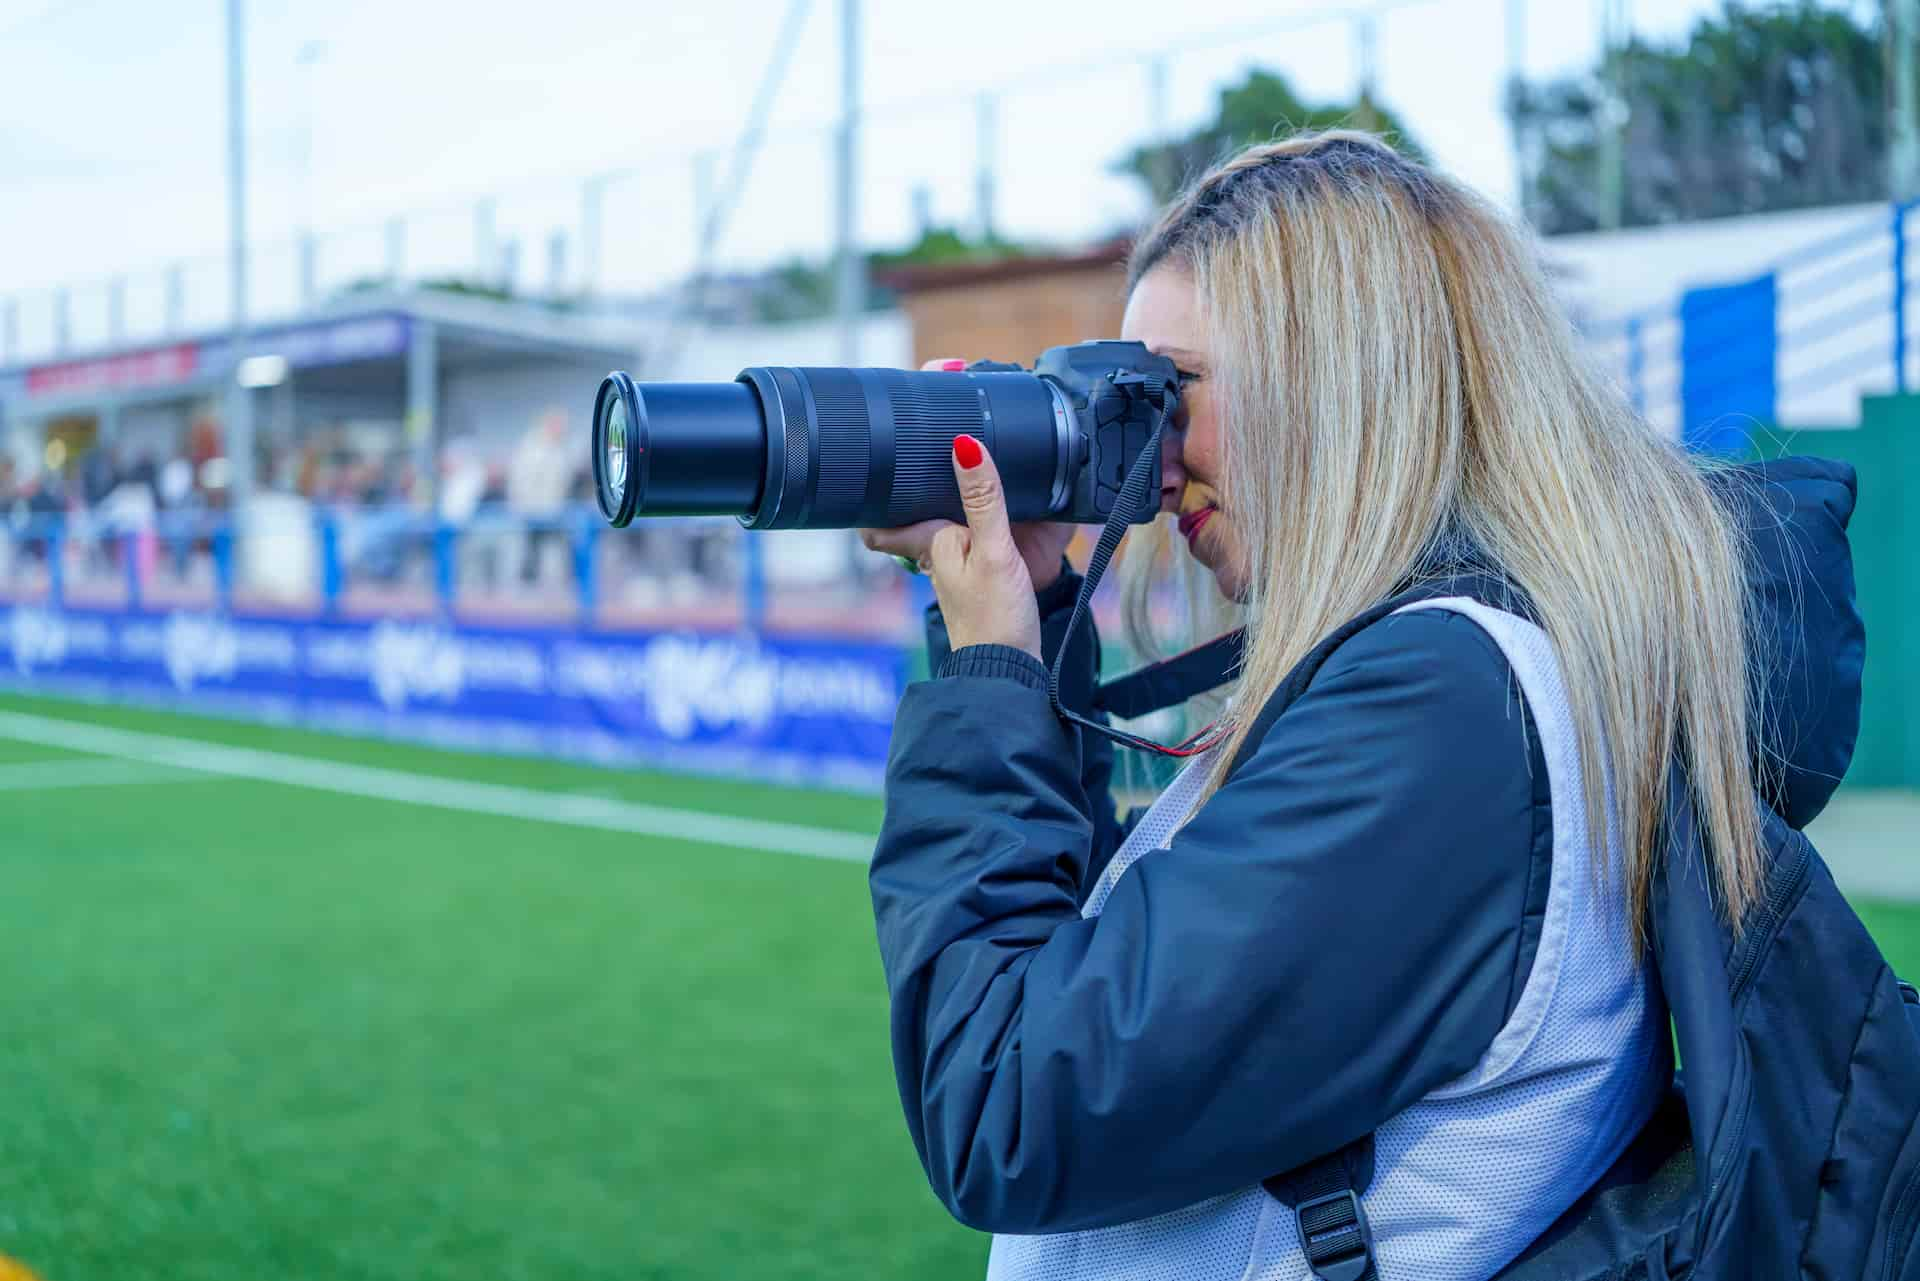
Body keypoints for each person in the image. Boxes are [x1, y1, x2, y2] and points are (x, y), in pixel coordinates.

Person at [859, 131, 1861, 1279]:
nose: (1154, 456)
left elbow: (1015, 1107)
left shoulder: (1443, 710)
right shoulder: (1480, 671)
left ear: (1340, 377)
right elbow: (1106, 985)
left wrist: (988, 682)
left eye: (1169, 390)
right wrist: (1029, 616)